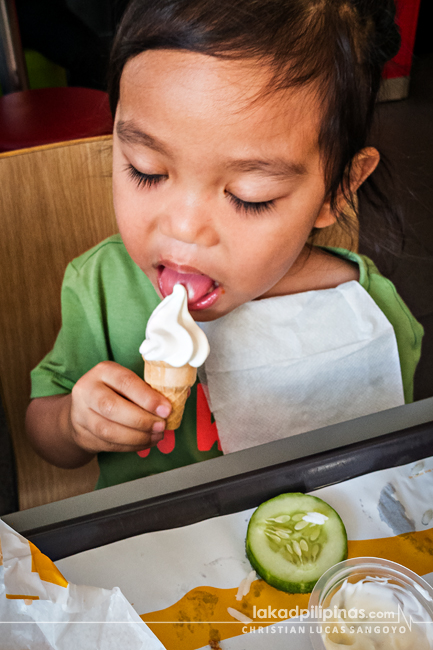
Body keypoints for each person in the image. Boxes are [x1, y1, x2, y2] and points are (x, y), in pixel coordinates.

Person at [26, 0, 423, 489]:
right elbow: (44, 432)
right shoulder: (101, 287)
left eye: (248, 197)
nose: (185, 229)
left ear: (338, 190)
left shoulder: (367, 312)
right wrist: (73, 423)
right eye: (146, 171)